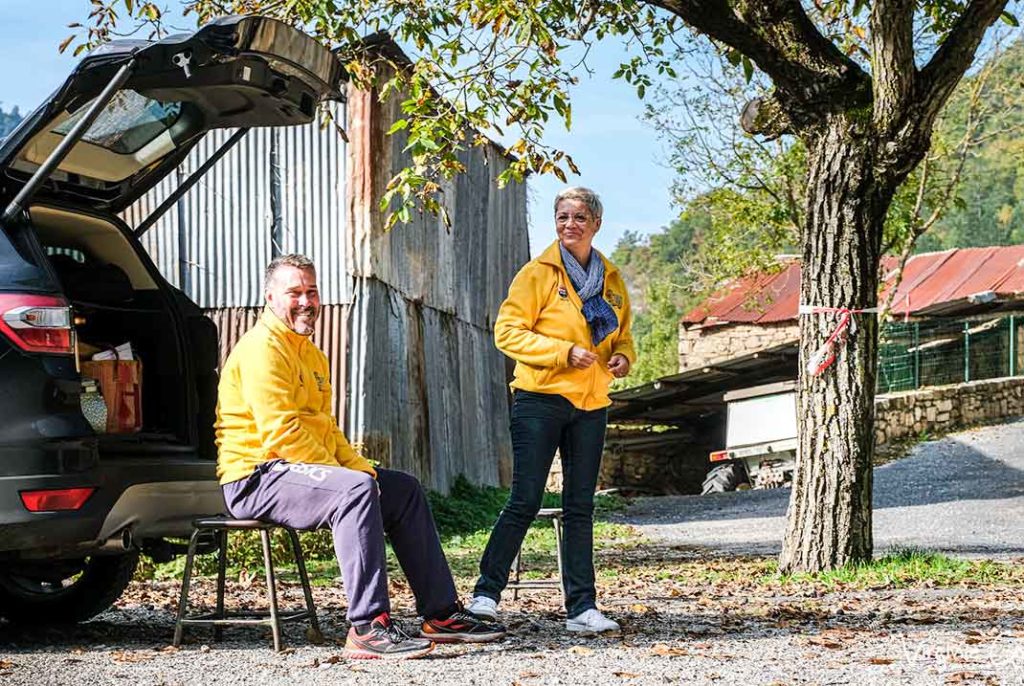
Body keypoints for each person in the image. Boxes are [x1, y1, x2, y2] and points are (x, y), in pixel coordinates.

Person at [215, 254, 505, 660]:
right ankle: (368, 626)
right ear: (269, 297)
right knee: (355, 489)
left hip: (298, 470)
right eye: (294, 293)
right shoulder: (262, 350)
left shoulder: (310, 354)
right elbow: (283, 434)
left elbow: (328, 431)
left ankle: (440, 614)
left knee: (401, 489)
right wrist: (352, 481)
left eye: (311, 292)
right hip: (256, 476)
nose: (305, 301)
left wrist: (363, 471)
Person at [466, 187, 635, 634]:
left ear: (596, 223)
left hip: (591, 404)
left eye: (579, 217)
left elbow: (622, 337)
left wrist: (623, 358)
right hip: (539, 399)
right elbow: (507, 332)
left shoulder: (612, 281)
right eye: (562, 217)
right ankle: (485, 595)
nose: (570, 225)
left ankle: (582, 608)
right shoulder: (537, 273)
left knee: (580, 506)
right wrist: (562, 352)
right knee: (525, 499)